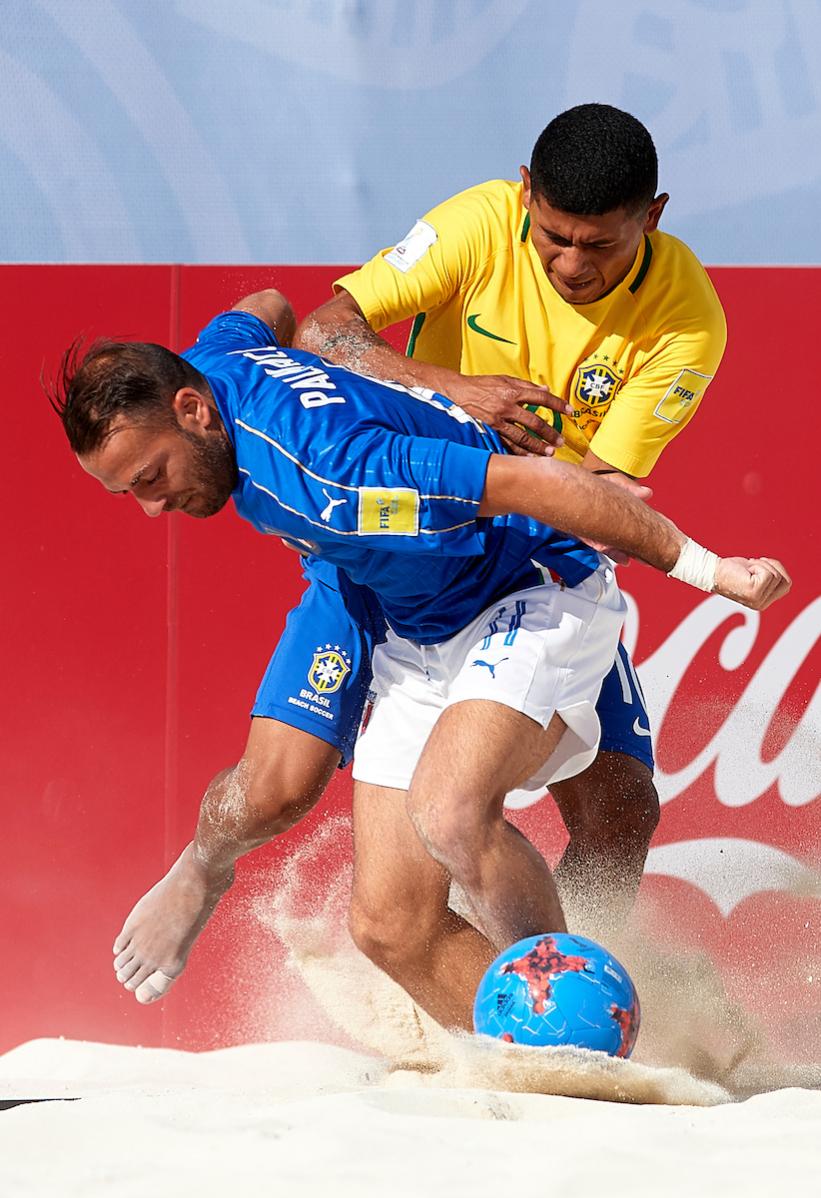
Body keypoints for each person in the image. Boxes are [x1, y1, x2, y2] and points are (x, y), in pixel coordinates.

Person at [51, 291, 789, 1026]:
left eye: (150, 477)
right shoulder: (219, 357)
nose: (151, 508)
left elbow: (539, 483)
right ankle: (526, 1051)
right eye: (128, 491)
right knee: (387, 925)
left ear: (192, 411)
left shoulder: (338, 468)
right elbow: (268, 306)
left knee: (460, 812)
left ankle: (569, 1030)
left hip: (520, 587)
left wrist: (711, 570)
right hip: (400, 607)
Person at [294, 102, 728, 930]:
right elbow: (323, 332)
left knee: (620, 812)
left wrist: (599, 508)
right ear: (525, 192)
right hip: (412, 543)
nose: (571, 264)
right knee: (287, 792)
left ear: (653, 217)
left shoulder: (686, 314)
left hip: (534, 556)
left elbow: (596, 491)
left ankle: (574, 972)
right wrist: (458, 392)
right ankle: (204, 877)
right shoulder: (480, 222)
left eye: (600, 245)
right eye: (553, 236)